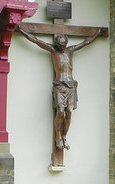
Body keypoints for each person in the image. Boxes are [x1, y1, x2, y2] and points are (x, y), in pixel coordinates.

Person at [18, 27, 104, 156]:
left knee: (69, 111)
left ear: (66, 43)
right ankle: (57, 136)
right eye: (59, 45)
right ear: (56, 44)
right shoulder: (53, 51)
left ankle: (64, 136)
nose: (61, 47)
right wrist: (20, 30)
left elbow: (86, 42)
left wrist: (97, 33)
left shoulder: (70, 51)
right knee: (60, 111)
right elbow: (35, 40)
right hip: (59, 86)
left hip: (71, 86)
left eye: (63, 45)